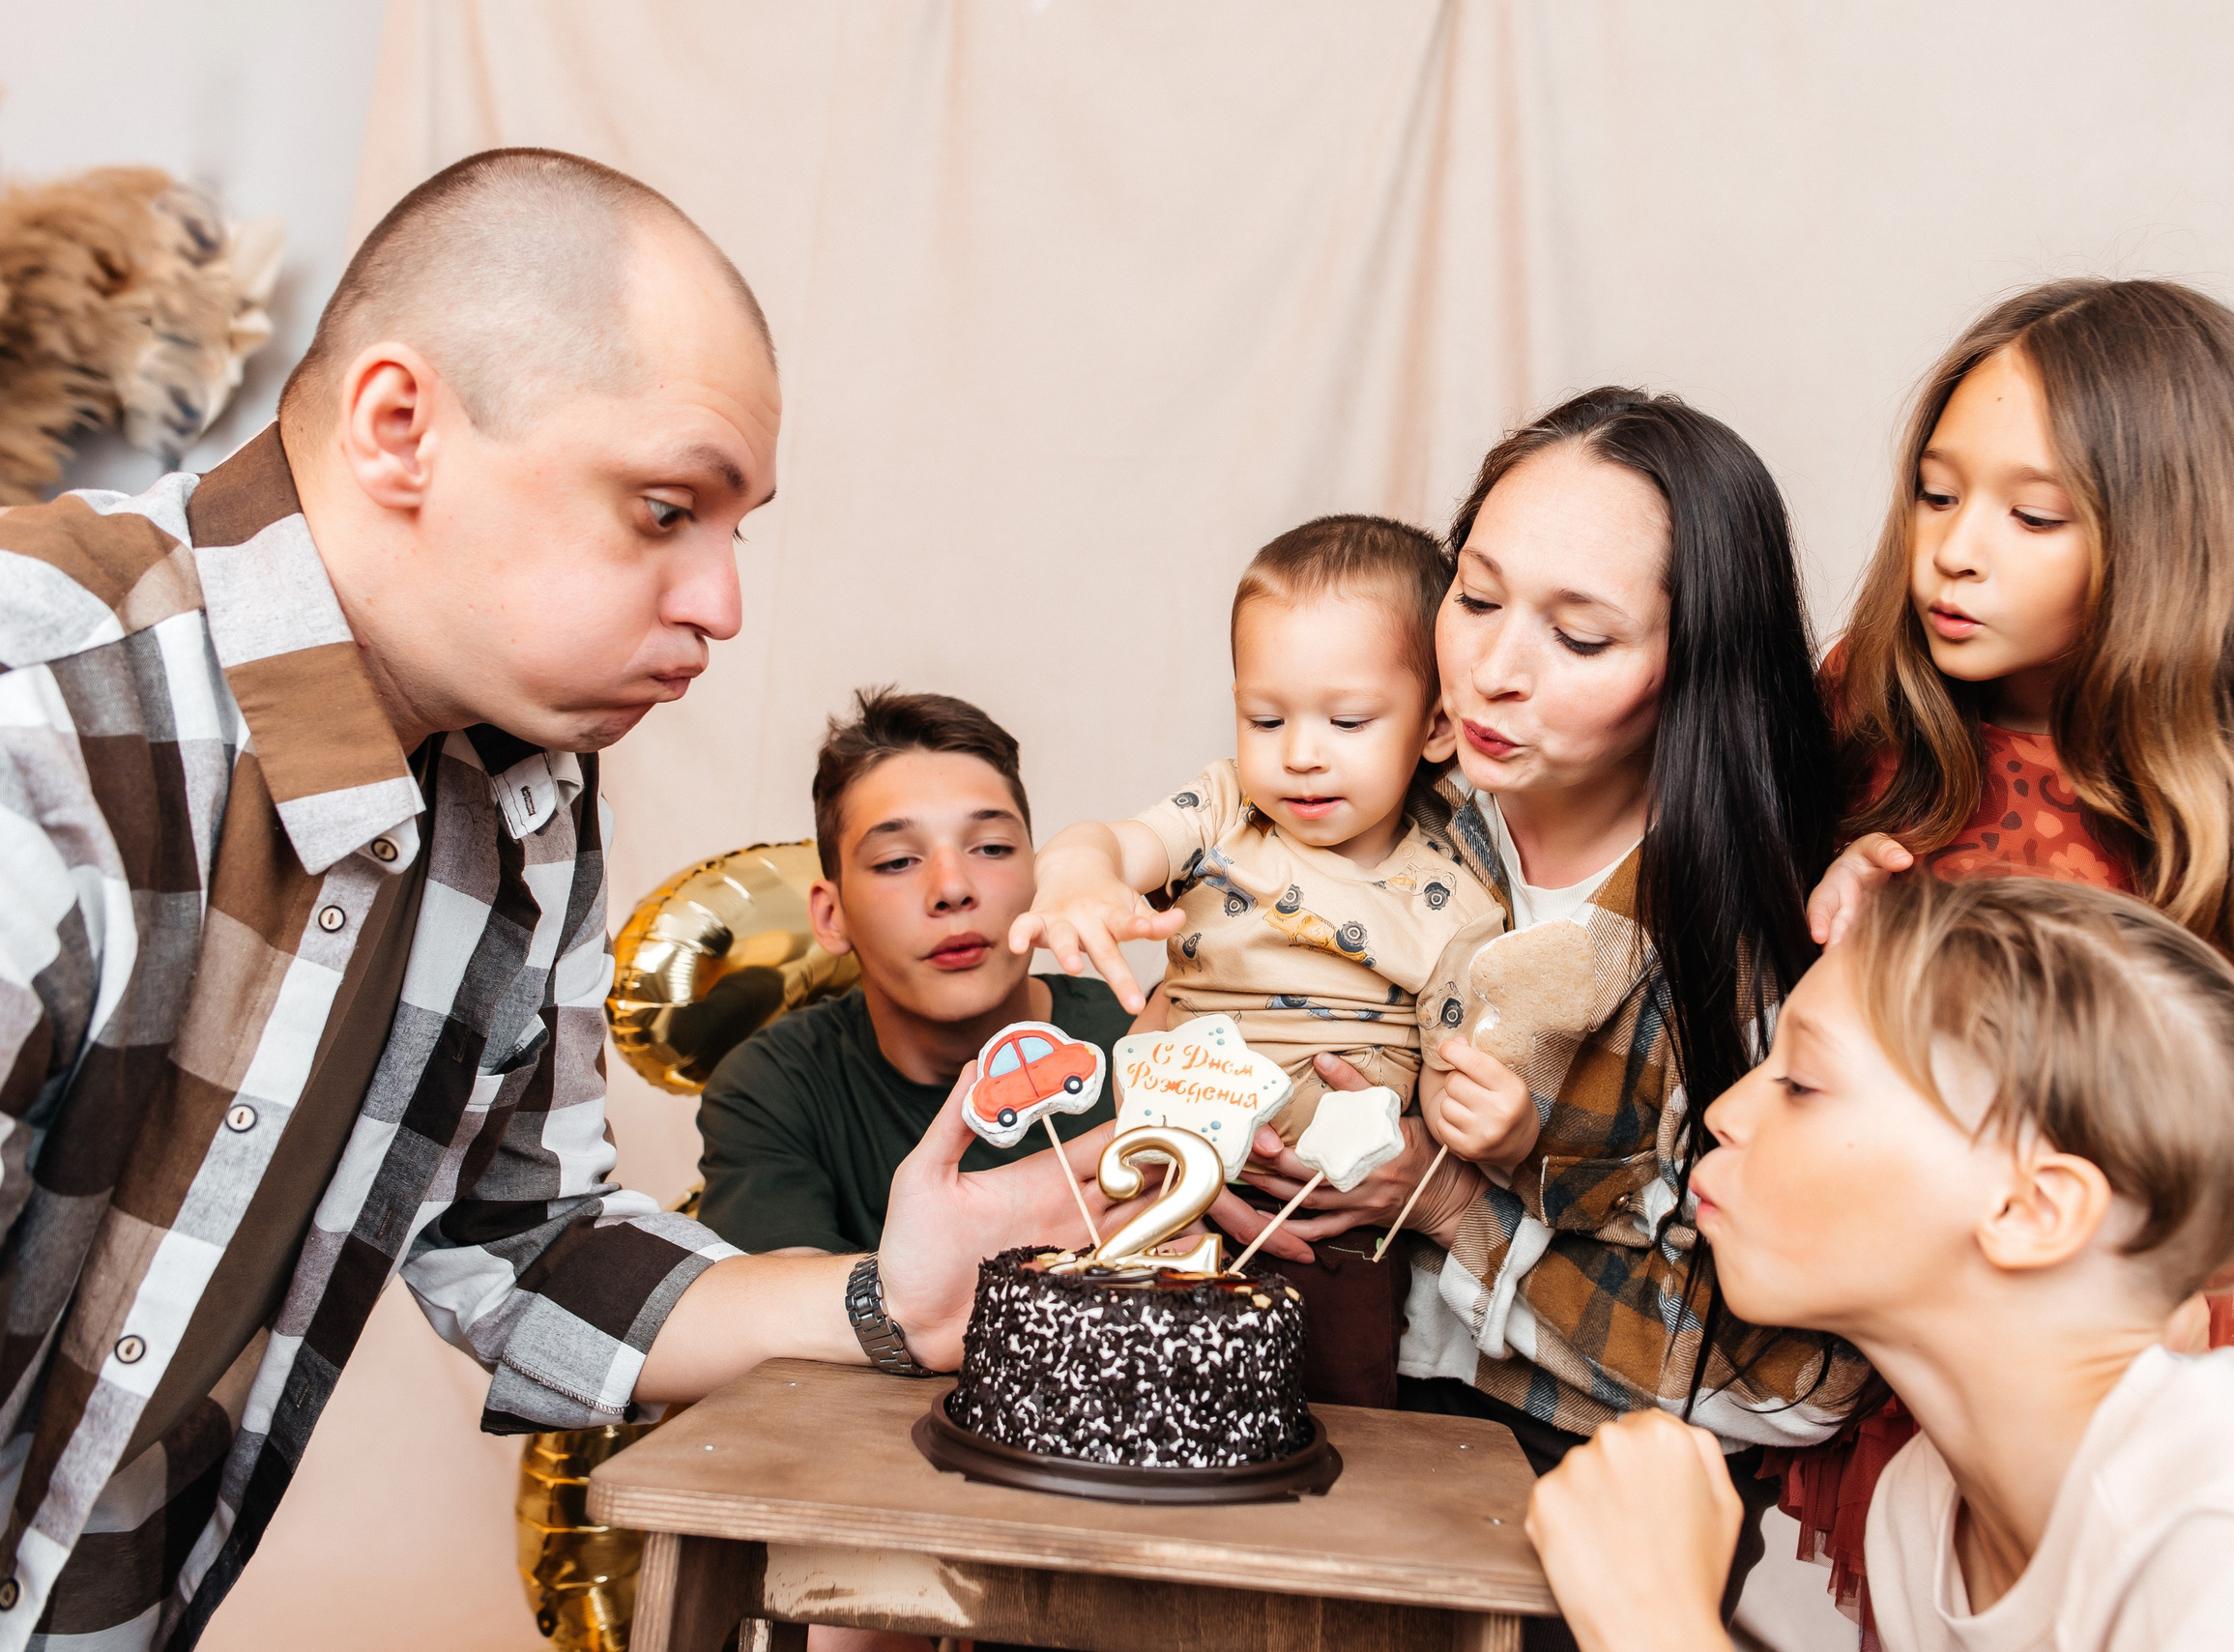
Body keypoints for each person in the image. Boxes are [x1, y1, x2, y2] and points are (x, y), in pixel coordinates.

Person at [0, 148, 1101, 1649]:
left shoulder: (524, 797)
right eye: (663, 509)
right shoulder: (35, 718)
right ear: (401, 428)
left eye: (733, 529)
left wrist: (890, 1300)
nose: (722, 604)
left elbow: (522, 1236)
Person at [1782, 278, 2234, 1630]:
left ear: (2178, 538)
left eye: (2033, 515)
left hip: (2095, 1354)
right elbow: (1748, 1014)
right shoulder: (1868, 704)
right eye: (1936, 494)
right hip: (1875, 1315)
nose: (1955, 552)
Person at [1217, 390, 1863, 1641]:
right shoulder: (1387, 801)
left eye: (1579, 636)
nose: (1495, 670)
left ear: (1694, 662)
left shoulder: (1754, 948)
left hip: (1581, 1515)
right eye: (1475, 596)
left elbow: (1790, 1383)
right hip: (1325, 1431)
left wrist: (1451, 1201)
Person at [1526, 872, 2234, 1652]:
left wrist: (1656, 1624)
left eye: (1803, 1082)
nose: (1726, 1111)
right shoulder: (1920, 1514)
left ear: (2030, 1209)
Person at [1009, 515, 1505, 1407]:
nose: (1300, 754)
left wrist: (1477, 1121)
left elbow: (1461, 1062)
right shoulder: (1228, 809)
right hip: (1168, 1170)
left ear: (1436, 726)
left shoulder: (1461, 883)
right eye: (1265, 718)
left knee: (1336, 1416)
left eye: (1347, 720)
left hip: (1333, 1217)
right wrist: (1082, 875)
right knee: (1127, 1387)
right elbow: (1110, 841)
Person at [696, 688, 1132, 1255]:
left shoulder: (1145, 1038)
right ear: (832, 916)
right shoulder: (774, 1085)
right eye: (898, 860)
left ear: (1041, 875)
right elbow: (773, 1294)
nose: (952, 888)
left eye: (992, 848)